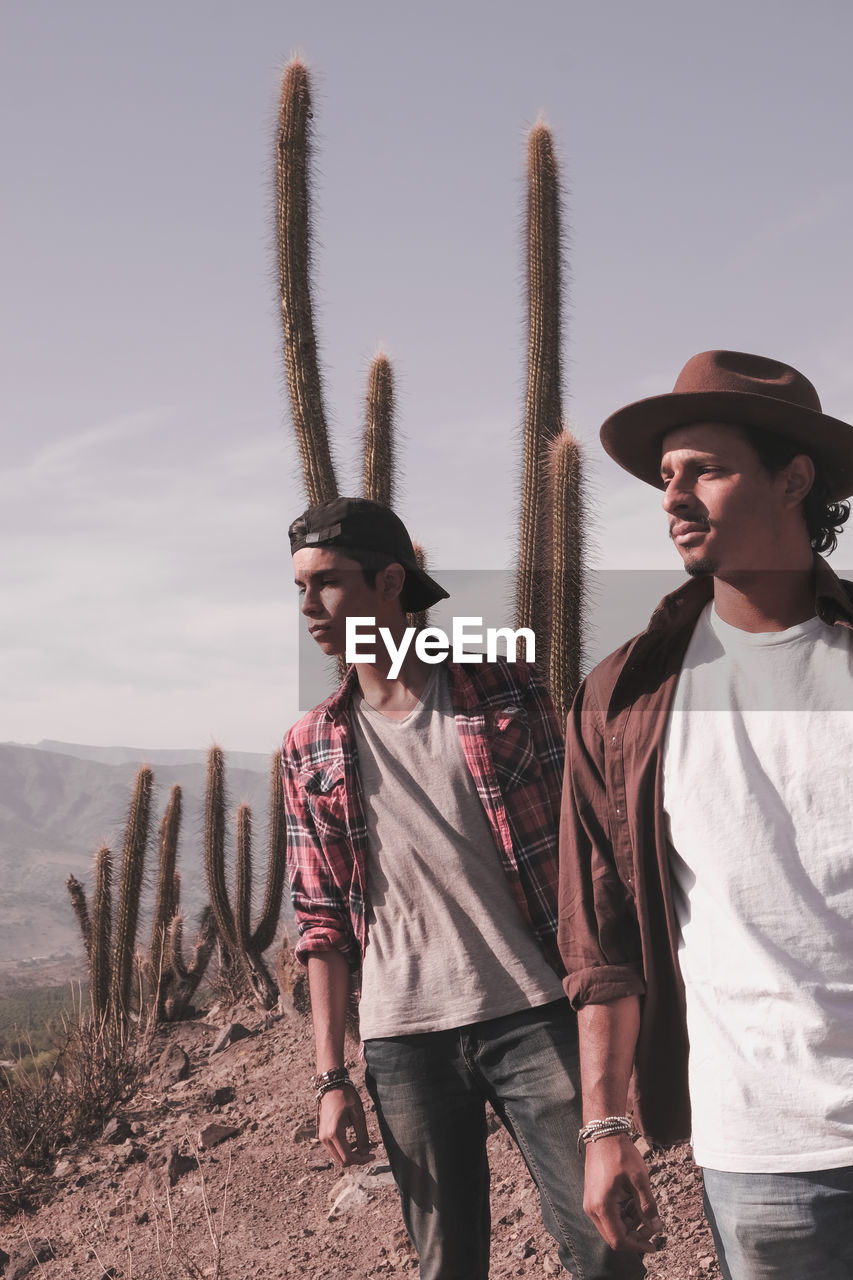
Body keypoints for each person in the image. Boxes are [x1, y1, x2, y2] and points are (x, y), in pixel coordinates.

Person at [282, 495, 642, 1279]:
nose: (308, 607)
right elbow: (320, 923)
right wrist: (331, 1077)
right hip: (402, 1040)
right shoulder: (309, 744)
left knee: (603, 1247)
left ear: (389, 583)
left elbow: (586, 855)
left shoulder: (504, 690)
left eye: (327, 584)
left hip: (533, 1012)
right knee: (447, 1266)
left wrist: (606, 998)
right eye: (299, 587)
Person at [558, 349, 853, 1280]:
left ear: (792, 479)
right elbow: (602, 940)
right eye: (665, 476)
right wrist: (605, 1124)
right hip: (762, 1151)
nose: (671, 496)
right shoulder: (623, 698)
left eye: (704, 470)